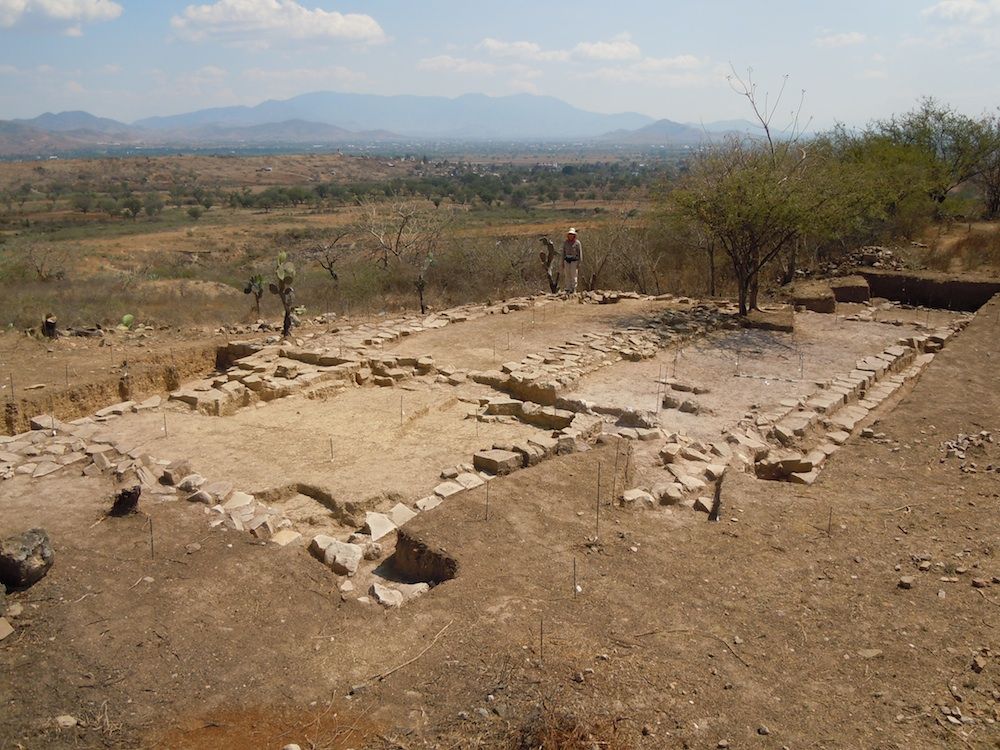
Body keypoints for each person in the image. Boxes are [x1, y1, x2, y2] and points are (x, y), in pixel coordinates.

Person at [561, 228, 582, 293]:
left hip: (574, 261)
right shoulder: (565, 242)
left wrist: (579, 262)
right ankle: (568, 288)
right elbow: (563, 253)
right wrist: (562, 262)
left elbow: (580, 253)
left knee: (573, 275)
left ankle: (573, 289)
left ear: (574, 235)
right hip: (567, 260)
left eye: (572, 234)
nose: (571, 235)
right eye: (570, 234)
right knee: (567, 275)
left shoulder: (577, 243)